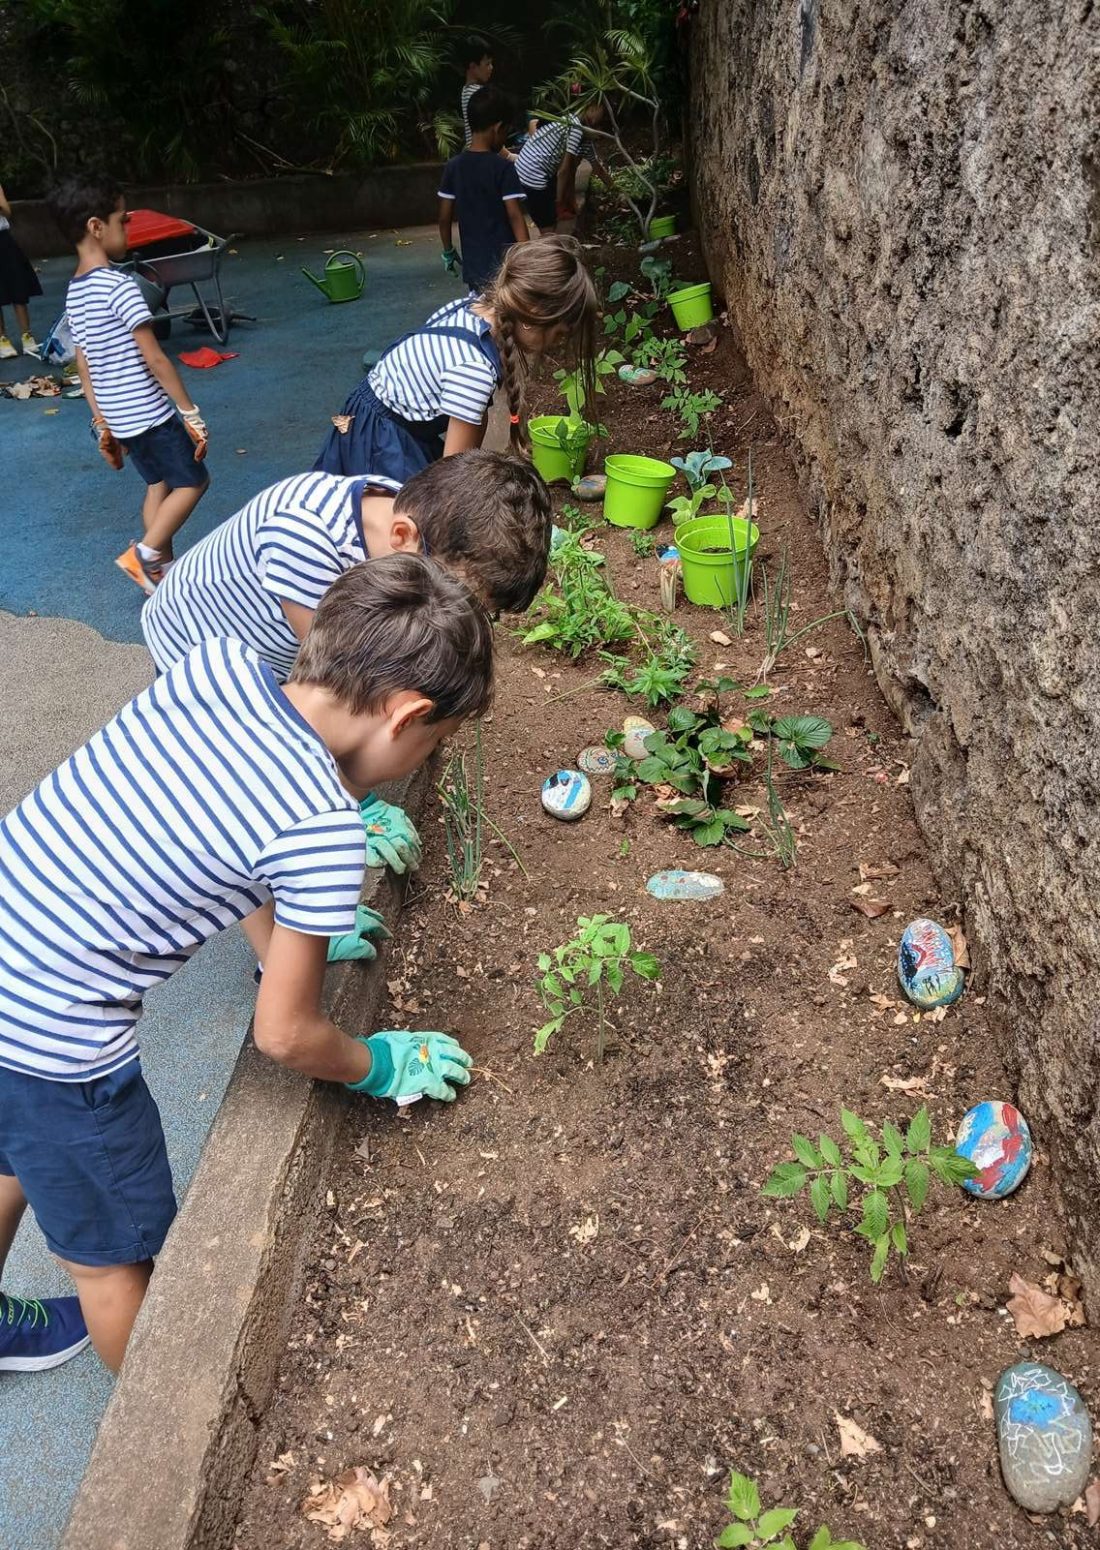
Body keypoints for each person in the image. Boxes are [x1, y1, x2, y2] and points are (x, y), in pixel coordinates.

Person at [0, 553, 491, 1375]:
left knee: (9, 1152)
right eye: (433, 740)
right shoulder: (321, 830)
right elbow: (286, 1034)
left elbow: (212, 833)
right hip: (56, 1041)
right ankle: (154, 1441)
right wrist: (374, 1064)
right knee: (112, 1261)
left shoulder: (217, 667)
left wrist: (306, 924)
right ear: (406, 715)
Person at [142, 450, 551, 683]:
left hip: (277, 630)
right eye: (458, 597)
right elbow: (329, 680)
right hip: (194, 643)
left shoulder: (406, 515)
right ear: (403, 536)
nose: (460, 614)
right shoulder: (308, 543)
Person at [314, 234, 598, 480]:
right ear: (533, 315)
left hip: (379, 419)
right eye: (560, 335)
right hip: (379, 441)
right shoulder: (474, 369)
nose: (557, 345)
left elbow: (472, 423)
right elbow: (449, 478)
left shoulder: (473, 307)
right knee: (410, 517)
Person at [48, 175, 210, 596]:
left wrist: (101, 421)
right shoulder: (121, 286)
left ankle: (161, 572)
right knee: (194, 481)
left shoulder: (75, 292)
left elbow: (83, 364)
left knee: (159, 484)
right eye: (122, 220)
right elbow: (155, 358)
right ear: (96, 227)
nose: (128, 227)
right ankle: (146, 555)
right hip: (150, 415)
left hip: (121, 419)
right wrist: (190, 413)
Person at [439, 85, 529, 295]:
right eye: (506, 132)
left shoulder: (454, 167)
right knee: (506, 309)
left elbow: (444, 217)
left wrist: (448, 250)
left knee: (481, 309)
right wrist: (527, 257)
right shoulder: (503, 168)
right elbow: (515, 216)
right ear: (498, 128)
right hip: (506, 266)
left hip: (474, 267)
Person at [515, 103, 611, 235]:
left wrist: (615, 189)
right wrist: (559, 202)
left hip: (524, 170)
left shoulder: (580, 134)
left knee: (550, 219)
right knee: (548, 230)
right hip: (533, 175)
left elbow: (597, 168)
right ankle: (546, 245)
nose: (599, 138)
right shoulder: (576, 128)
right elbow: (564, 171)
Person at [0, 181, 42, 359]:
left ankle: (27, 335)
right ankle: (2, 339)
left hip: (3, 239)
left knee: (17, 286)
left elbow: (7, 211)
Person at [460, 37, 494, 147]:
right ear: (473, 67)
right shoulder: (479, 94)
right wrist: (508, 154)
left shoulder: (466, 90)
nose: (491, 67)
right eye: (487, 64)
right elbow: (489, 133)